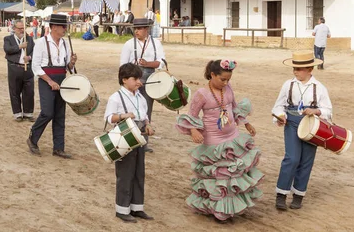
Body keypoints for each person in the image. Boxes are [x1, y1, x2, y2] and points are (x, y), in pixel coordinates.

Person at [176, 59, 262, 222]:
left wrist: (247, 124)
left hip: (233, 136)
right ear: (212, 75)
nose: (226, 82)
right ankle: (218, 210)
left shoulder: (227, 88)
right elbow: (191, 115)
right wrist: (194, 131)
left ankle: (230, 208)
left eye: (228, 79)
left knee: (233, 174)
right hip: (213, 140)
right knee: (220, 176)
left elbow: (235, 108)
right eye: (222, 79)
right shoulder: (202, 93)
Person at [272, 51, 332, 211]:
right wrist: (280, 115)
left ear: (310, 69)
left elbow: (328, 109)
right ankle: (281, 194)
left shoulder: (319, 88)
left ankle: (298, 195)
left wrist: (316, 111)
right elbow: (279, 105)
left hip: (312, 127)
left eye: (299, 69)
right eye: (294, 69)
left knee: (306, 160)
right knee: (291, 158)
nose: (295, 72)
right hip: (291, 123)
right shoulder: (288, 85)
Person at [104, 63, 155, 223]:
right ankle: (122, 209)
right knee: (125, 174)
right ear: (125, 79)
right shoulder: (115, 97)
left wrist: (148, 125)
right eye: (135, 79)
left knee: (139, 173)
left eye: (139, 79)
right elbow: (108, 118)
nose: (139, 82)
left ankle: (137, 207)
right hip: (124, 139)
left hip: (139, 138)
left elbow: (144, 115)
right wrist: (123, 116)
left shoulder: (140, 97)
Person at [27, 14, 77, 158]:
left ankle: (58, 148)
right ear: (54, 27)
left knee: (60, 115)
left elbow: (67, 66)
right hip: (46, 79)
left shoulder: (65, 43)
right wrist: (50, 81)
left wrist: (72, 62)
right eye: (63, 27)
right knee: (47, 112)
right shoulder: (41, 42)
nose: (65, 29)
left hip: (62, 78)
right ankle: (32, 138)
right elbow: (36, 67)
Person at [119, 18, 166, 152]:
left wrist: (147, 64)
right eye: (135, 28)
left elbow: (161, 62)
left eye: (139, 29)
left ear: (147, 29)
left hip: (150, 79)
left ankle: (143, 143)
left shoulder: (156, 43)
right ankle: (129, 140)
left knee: (146, 111)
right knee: (129, 110)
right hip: (132, 79)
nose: (136, 31)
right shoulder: (128, 44)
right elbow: (122, 65)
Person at [4, 20, 35, 121]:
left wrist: (29, 57)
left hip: (28, 68)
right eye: (19, 28)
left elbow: (35, 52)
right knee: (15, 91)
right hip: (14, 68)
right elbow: (7, 49)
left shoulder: (29, 39)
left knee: (29, 91)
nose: (22, 30)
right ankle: (17, 113)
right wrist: (19, 47)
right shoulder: (8, 39)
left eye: (23, 28)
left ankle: (28, 113)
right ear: (14, 29)